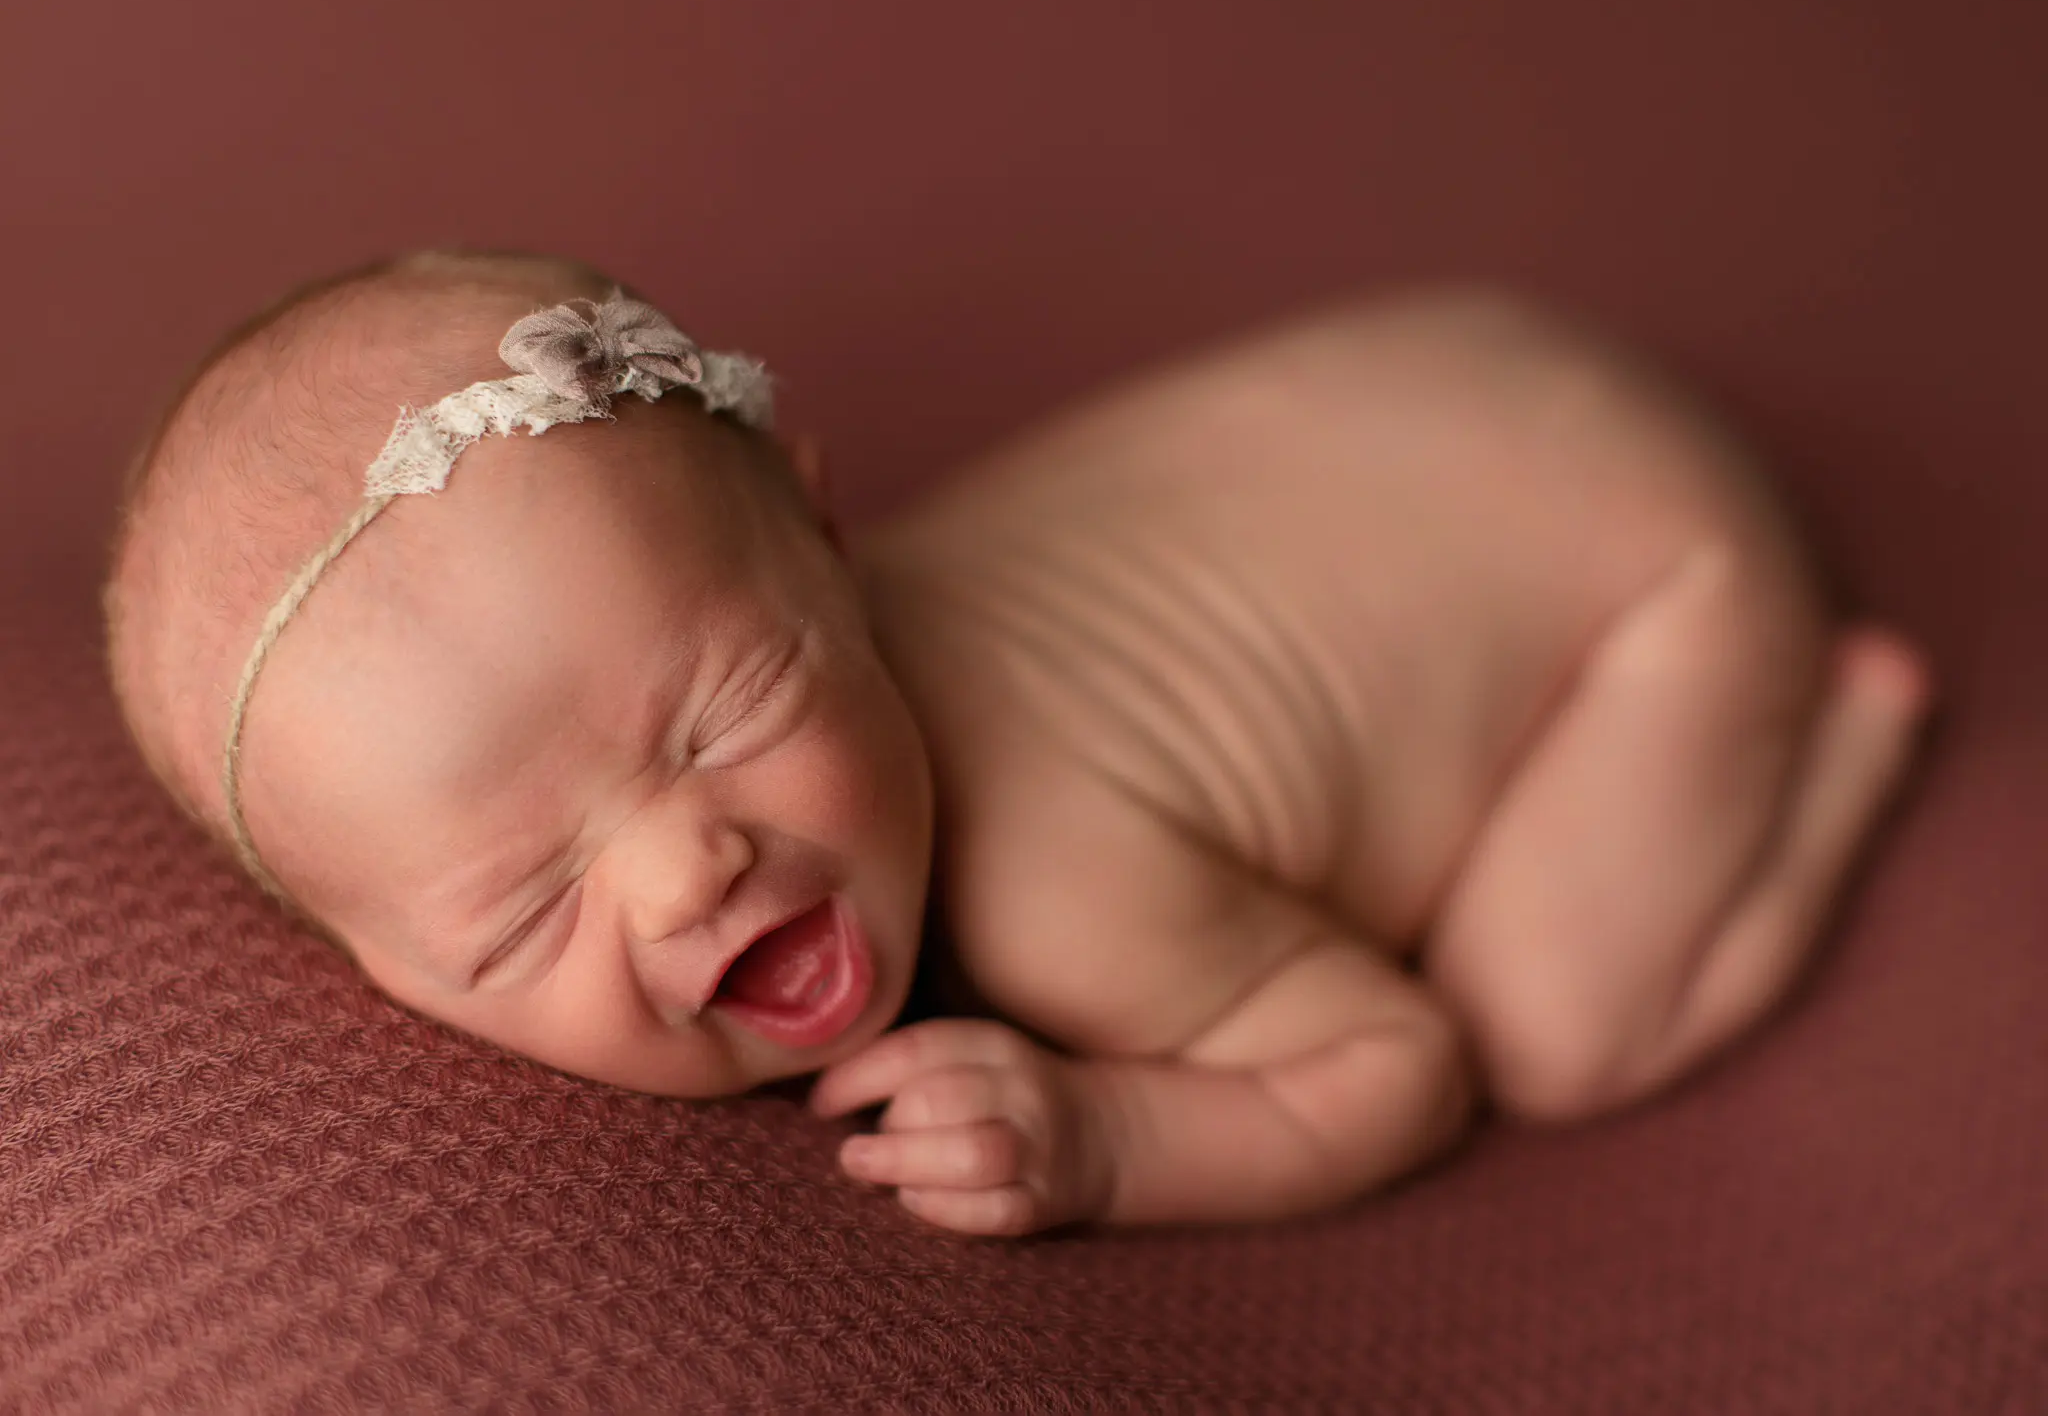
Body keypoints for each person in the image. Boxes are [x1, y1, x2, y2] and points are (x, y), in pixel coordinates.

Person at [103, 250, 1932, 1235]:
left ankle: (1833, 746)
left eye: (733, 709)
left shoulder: (1066, 894)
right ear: (370, 970)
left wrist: (1118, 1137)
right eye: (518, 910)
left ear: (828, 538)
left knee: (1555, 1023)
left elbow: (1395, 1058)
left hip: (1648, 573)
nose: (686, 866)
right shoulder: (772, 600)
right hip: (1451, 358)